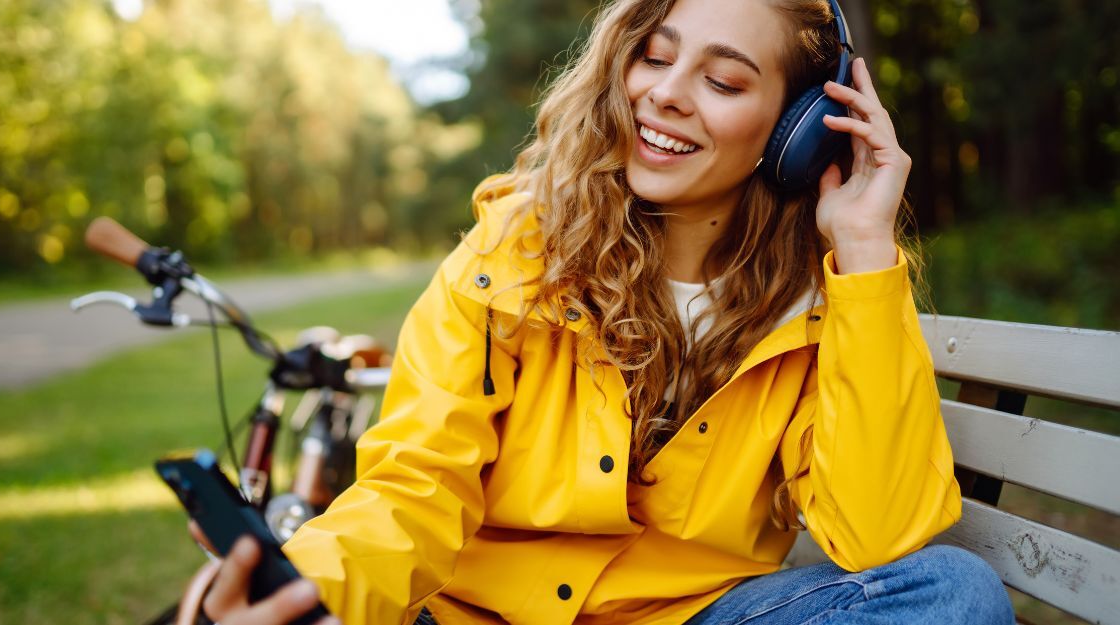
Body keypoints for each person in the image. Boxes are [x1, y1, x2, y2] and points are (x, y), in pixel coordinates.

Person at [203, 0, 1017, 623]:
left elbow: (879, 536)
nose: (665, 94)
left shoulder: (826, 299)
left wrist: (867, 250)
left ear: (798, 131)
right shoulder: (510, 254)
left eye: (723, 81)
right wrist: (312, 586)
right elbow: (415, 484)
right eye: (654, 58)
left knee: (953, 588)